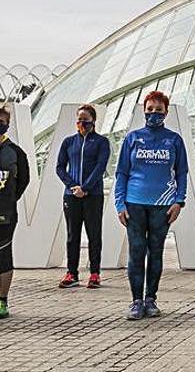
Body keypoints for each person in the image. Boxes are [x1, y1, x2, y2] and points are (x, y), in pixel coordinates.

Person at [115, 91, 188, 320]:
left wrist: (179, 201)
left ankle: (151, 299)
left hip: (162, 205)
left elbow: (182, 173)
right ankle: (136, 301)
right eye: (150, 109)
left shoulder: (174, 139)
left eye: (159, 109)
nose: (154, 113)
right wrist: (120, 204)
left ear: (166, 112)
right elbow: (122, 173)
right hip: (134, 203)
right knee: (136, 252)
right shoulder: (133, 138)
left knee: (155, 252)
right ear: (143, 110)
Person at [56, 104, 111, 289]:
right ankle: (72, 273)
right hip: (71, 195)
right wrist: (73, 187)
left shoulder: (101, 142)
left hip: (93, 195)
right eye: (79, 120)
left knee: (94, 234)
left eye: (85, 120)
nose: (81, 123)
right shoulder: (68, 142)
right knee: (73, 235)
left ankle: (95, 273)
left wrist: (85, 188)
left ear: (93, 121)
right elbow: (60, 167)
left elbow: (100, 167)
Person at [0, 105, 31, 319]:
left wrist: (9, 201)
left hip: (5, 214)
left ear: (8, 125)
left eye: (1, 121)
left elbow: (24, 181)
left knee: (3, 256)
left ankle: (2, 302)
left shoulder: (16, 152)